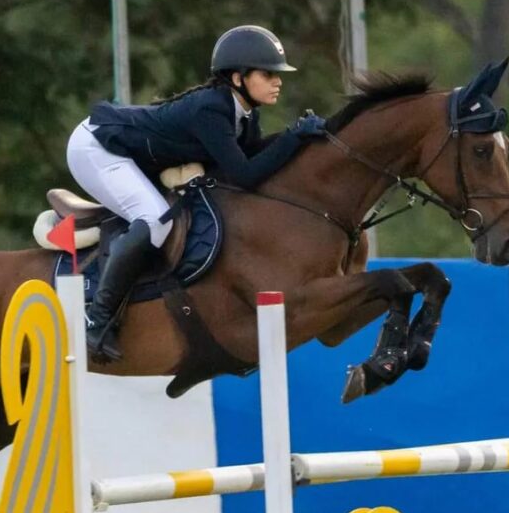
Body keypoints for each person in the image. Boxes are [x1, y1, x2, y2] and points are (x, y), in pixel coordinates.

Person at [66, 25, 327, 361]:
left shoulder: (243, 113)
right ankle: (97, 321)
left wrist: (298, 137)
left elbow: (249, 157)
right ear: (237, 78)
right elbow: (246, 175)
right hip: (97, 148)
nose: (278, 81)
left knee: (156, 217)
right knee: (155, 220)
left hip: (127, 151)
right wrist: (293, 139)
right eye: (268, 73)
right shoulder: (211, 109)